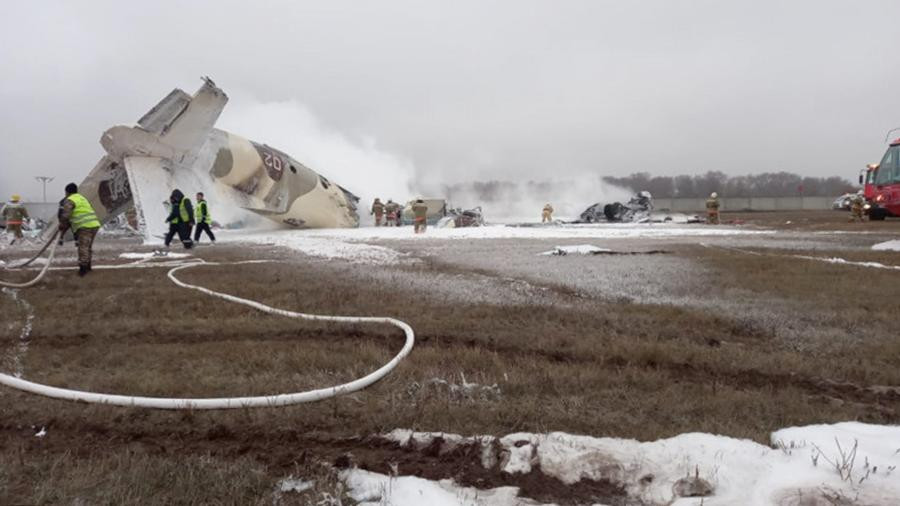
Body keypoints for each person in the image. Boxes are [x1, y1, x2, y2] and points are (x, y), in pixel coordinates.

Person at [57, 183, 101, 276]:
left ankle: (83, 269)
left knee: (83, 247)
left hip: (84, 226)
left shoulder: (70, 200)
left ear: (67, 192)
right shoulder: (82, 198)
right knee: (88, 247)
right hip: (94, 224)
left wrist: (62, 224)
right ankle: (88, 266)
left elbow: (66, 215)